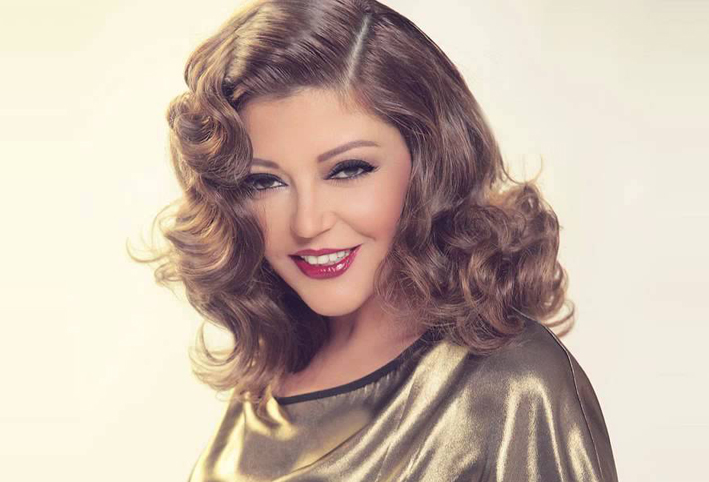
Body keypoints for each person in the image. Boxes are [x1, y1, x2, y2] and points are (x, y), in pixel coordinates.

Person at [129, 0, 618, 480]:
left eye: (348, 170)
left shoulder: (512, 386)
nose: (308, 223)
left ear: (428, 165)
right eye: (265, 181)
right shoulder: (268, 382)